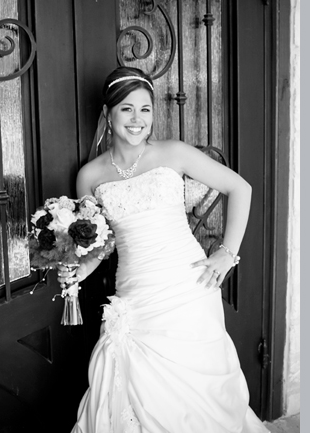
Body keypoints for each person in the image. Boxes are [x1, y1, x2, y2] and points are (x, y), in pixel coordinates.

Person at [65, 67, 269, 432]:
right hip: (136, 294)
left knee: (196, 395)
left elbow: (241, 188)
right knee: (134, 392)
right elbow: (101, 243)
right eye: (127, 109)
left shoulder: (173, 153)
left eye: (145, 109)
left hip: (188, 288)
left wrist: (227, 252)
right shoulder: (90, 176)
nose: (137, 119)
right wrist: (78, 271)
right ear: (107, 114)